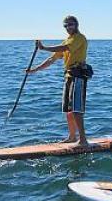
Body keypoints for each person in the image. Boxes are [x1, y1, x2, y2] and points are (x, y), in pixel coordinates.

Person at [27, 15, 89, 146]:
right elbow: (52, 59)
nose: (68, 27)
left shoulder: (79, 38)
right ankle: (72, 137)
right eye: (65, 25)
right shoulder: (67, 40)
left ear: (76, 25)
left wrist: (43, 48)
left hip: (78, 76)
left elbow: (64, 48)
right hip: (68, 76)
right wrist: (35, 69)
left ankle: (83, 140)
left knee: (77, 109)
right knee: (68, 110)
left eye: (70, 24)